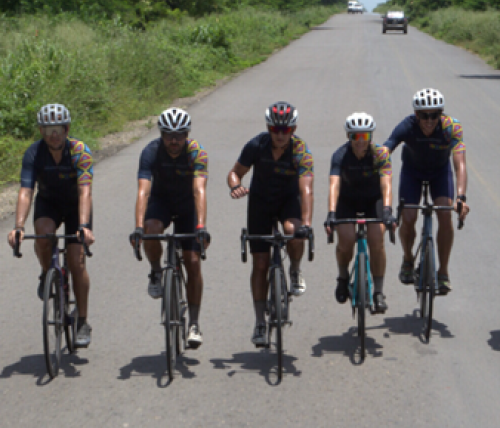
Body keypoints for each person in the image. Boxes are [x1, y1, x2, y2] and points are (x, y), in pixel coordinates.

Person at [7, 104, 95, 347]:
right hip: (48, 203)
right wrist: (18, 226)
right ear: (41, 131)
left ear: (67, 129)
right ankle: (47, 274)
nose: (53, 134)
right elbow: (26, 191)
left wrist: (85, 225)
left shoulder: (80, 152)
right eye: (47, 129)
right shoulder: (34, 153)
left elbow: (85, 191)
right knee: (44, 236)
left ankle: (83, 321)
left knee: (77, 260)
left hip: (77, 207)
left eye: (57, 129)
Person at [227, 101, 314, 346]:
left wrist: (306, 223)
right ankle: (259, 322)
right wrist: (235, 186)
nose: (280, 134)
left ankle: (295, 271)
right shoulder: (257, 145)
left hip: (289, 201)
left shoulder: (300, 151)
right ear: (268, 127)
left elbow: (306, 189)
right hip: (260, 203)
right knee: (261, 263)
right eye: (275, 129)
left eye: (285, 130)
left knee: (293, 231)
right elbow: (234, 172)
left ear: (293, 129)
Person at [131, 107, 209, 349]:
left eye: (179, 135)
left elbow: (199, 190)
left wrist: (201, 226)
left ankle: (194, 323)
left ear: (187, 134)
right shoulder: (150, 152)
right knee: (150, 229)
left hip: (188, 205)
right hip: (161, 202)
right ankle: (156, 271)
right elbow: (143, 191)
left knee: (193, 261)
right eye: (169, 135)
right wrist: (137, 227)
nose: (174, 141)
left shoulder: (197, 152)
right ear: (161, 134)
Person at [384, 88, 470, 293]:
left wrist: (461, 197)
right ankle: (407, 259)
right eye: (424, 115)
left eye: (435, 115)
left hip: (440, 173)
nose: (429, 120)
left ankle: (443, 272)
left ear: (441, 114)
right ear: (416, 115)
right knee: (409, 216)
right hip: (412, 172)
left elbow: (460, 164)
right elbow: (386, 148)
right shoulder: (407, 126)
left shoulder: (452, 128)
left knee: (445, 214)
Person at [324, 112, 396, 313]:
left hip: (373, 201)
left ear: (370, 137)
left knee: (376, 239)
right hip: (347, 201)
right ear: (349, 137)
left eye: (364, 136)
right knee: (346, 240)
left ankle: (378, 292)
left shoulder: (380, 154)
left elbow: (386, 184)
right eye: (355, 136)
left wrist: (388, 211)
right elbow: (334, 185)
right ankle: (343, 276)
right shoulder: (340, 155)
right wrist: (331, 213)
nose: (360, 141)